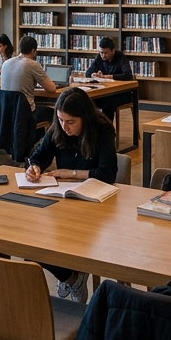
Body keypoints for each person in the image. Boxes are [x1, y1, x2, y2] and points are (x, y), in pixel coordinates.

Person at [23, 88, 118, 304]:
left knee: (62, 245)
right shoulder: (60, 128)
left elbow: (107, 174)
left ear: (84, 117)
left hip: (95, 204)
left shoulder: (102, 129)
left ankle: (73, 274)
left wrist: (71, 174)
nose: (65, 127)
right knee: (30, 247)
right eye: (61, 120)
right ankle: (72, 277)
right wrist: (34, 167)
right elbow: (39, 155)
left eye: (71, 122)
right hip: (62, 201)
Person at [0, 35, 58, 124]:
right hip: (25, 113)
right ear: (33, 51)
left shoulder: (6, 63)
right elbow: (52, 88)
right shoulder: (32, 64)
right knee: (54, 113)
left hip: (6, 112)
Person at [86, 36, 134, 121]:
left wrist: (109, 76)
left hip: (122, 93)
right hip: (106, 91)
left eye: (106, 53)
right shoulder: (100, 57)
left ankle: (107, 130)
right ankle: (95, 128)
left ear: (113, 51)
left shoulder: (120, 57)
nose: (103, 55)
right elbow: (88, 72)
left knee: (108, 103)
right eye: (101, 52)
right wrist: (94, 74)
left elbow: (128, 75)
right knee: (88, 100)